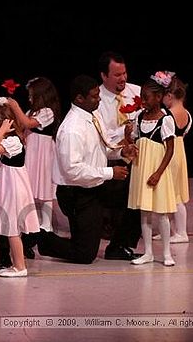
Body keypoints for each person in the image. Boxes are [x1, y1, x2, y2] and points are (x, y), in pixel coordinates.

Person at [37, 75, 137, 264]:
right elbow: (72, 171)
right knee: (85, 254)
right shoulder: (72, 129)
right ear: (79, 99)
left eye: (98, 94)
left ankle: (117, 246)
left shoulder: (92, 115)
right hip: (77, 194)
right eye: (93, 96)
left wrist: (121, 152)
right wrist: (110, 173)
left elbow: (99, 150)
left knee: (136, 196)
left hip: (93, 186)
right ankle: (40, 238)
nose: (98, 99)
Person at [127, 71, 177, 266]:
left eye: (146, 98)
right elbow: (135, 141)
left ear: (158, 97)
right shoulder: (139, 117)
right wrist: (129, 137)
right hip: (142, 169)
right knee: (145, 212)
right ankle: (147, 252)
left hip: (158, 171)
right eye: (142, 97)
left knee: (162, 213)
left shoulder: (165, 120)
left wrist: (158, 173)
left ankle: (166, 253)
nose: (143, 101)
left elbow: (170, 150)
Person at [0, 98, 40, 277]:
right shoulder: (12, 143)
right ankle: (18, 265)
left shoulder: (13, 142)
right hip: (11, 186)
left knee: (12, 230)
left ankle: (20, 267)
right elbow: (6, 165)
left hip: (15, 189)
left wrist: (1, 131)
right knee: (12, 229)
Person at [96, 51, 142, 261]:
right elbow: (101, 134)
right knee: (115, 203)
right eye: (117, 75)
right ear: (104, 76)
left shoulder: (138, 93)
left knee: (134, 202)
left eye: (124, 73)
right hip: (110, 156)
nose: (123, 78)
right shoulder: (95, 99)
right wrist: (123, 135)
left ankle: (122, 243)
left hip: (136, 156)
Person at [7, 77, 62, 234]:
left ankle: (46, 223)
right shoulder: (31, 112)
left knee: (45, 186)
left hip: (44, 153)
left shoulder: (47, 112)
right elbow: (23, 126)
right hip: (32, 151)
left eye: (32, 95)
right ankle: (31, 220)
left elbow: (29, 123)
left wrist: (15, 106)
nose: (30, 99)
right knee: (29, 185)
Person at [153, 74, 192, 243]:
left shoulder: (167, 114)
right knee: (171, 193)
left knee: (174, 195)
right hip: (179, 152)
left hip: (170, 152)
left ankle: (181, 232)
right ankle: (167, 229)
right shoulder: (187, 114)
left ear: (169, 96)